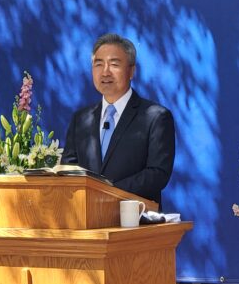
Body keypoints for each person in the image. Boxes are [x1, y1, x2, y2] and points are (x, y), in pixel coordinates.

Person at [61, 33, 175, 206]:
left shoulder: (156, 117)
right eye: (98, 64)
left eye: (114, 64)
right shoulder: (81, 119)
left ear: (131, 71)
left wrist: (107, 193)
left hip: (135, 222)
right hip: (87, 221)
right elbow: (69, 170)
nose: (105, 71)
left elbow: (157, 174)